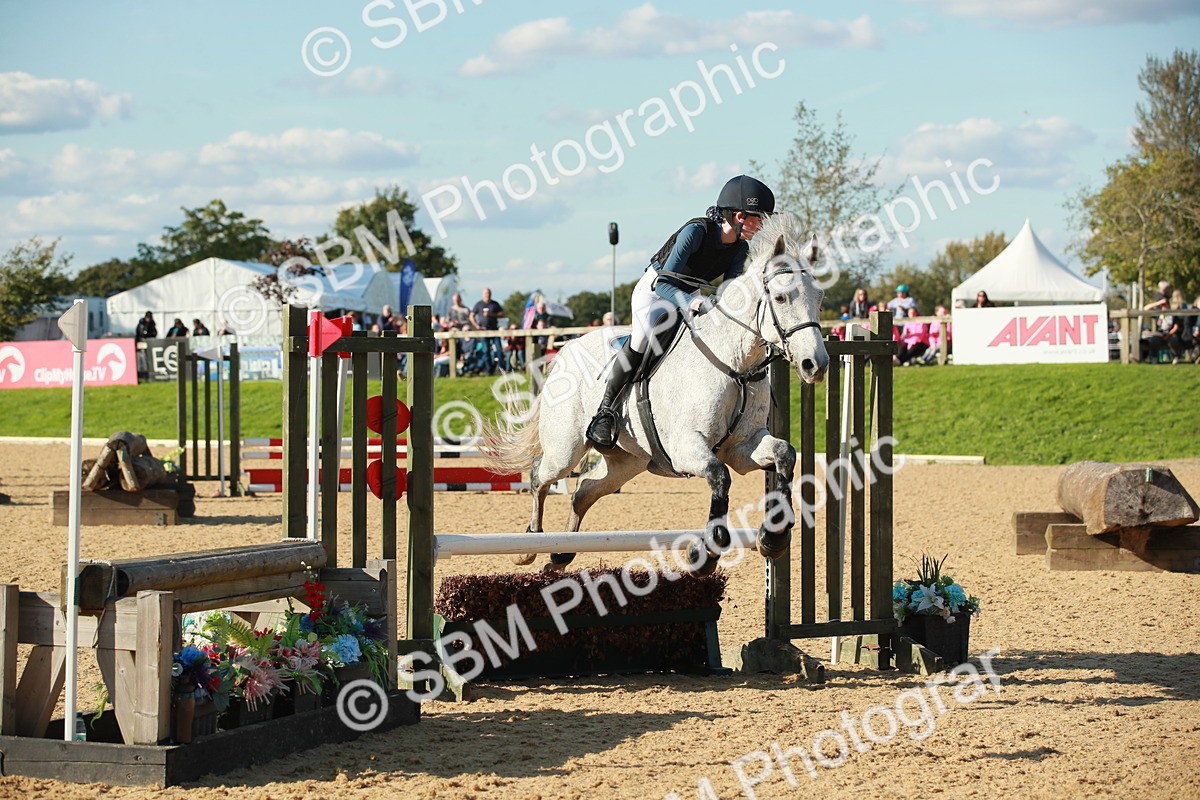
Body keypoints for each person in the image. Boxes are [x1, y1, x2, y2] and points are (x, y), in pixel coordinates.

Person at [585, 174, 774, 448]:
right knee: (642, 339)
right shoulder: (696, 232)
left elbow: (728, 292)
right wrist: (693, 303)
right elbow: (664, 282)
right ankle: (605, 413)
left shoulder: (740, 248)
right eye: (759, 218)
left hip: (690, 296)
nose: (762, 225)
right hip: (655, 291)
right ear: (738, 215)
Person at [471, 288, 507, 374]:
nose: (487, 295)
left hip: (494, 330)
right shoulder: (478, 304)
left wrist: (491, 314)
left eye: (489, 293)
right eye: (486, 293)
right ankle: (489, 371)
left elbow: (502, 314)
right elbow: (471, 315)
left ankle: (503, 369)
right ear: (483, 294)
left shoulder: (495, 304)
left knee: (499, 350)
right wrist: (477, 326)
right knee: (486, 351)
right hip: (484, 330)